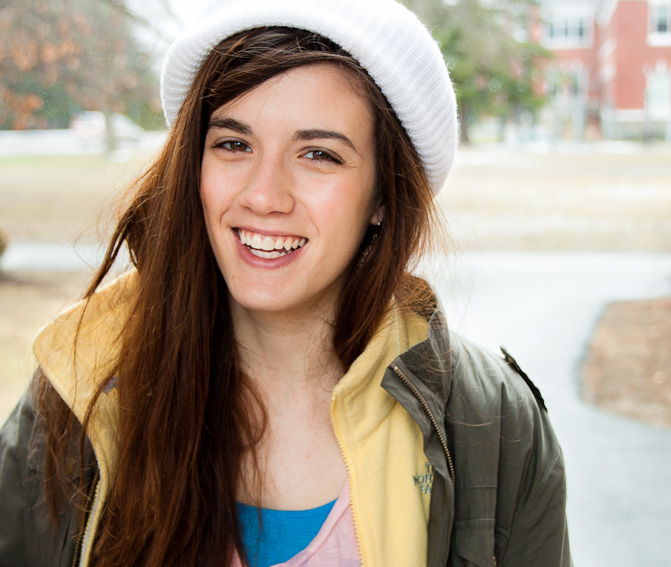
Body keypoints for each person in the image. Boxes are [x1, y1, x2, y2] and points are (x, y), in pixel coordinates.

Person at [0, 1, 570, 566]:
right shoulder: (81, 390)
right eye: (234, 144)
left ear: (382, 195)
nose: (264, 195)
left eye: (318, 154)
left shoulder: (491, 425)